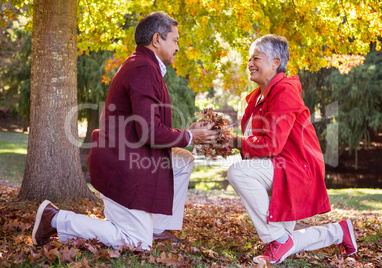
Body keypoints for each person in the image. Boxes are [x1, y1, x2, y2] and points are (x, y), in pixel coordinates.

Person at [32, 11, 216, 250]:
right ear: (157, 39)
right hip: (122, 166)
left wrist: (188, 132)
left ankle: (157, 228)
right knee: (137, 242)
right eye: (176, 40)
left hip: (129, 158)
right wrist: (191, 136)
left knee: (183, 161)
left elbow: (146, 125)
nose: (178, 47)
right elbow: (150, 133)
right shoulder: (143, 69)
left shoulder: (142, 65)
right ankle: (54, 218)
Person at [227, 34, 357, 264]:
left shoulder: (284, 90)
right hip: (280, 168)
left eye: (256, 58)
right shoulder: (259, 98)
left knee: (239, 172)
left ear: (276, 62)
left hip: (296, 170)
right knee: (285, 237)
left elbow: (271, 144)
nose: (249, 64)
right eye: (249, 58)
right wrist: (223, 141)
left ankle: (277, 241)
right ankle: (338, 232)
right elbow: (255, 144)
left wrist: (234, 141)